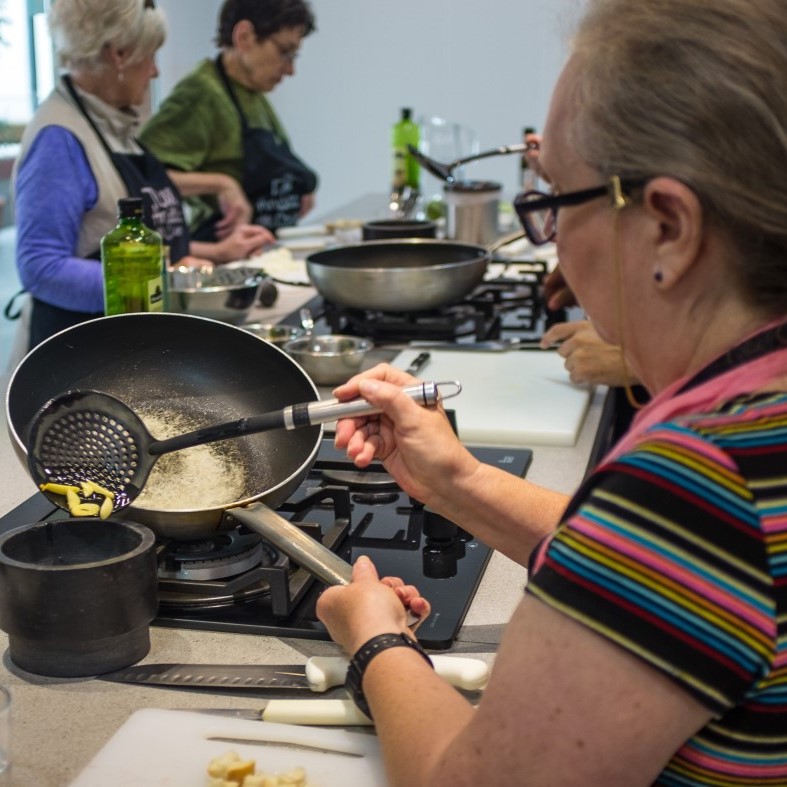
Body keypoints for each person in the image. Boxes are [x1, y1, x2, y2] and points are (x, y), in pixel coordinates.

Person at [316, 0, 787, 783]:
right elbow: (669, 575)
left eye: (554, 199)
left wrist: (376, 643)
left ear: (667, 224)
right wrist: (457, 480)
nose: (552, 245)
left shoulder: (699, 474)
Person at [11, 0, 273, 349]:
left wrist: (217, 252)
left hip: (130, 340)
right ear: (119, 54)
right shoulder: (57, 138)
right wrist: (162, 281)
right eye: (151, 55)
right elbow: (41, 267)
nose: (154, 72)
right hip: (80, 350)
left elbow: (114, 237)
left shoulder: (112, 124)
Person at [139, 0, 318, 240]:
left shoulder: (252, 93)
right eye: (284, 52)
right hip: (219, 254)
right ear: (244, 36)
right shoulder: (201, 94)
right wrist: (222, 184)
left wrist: (298, 186)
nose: (290, 69)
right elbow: (142, 175)